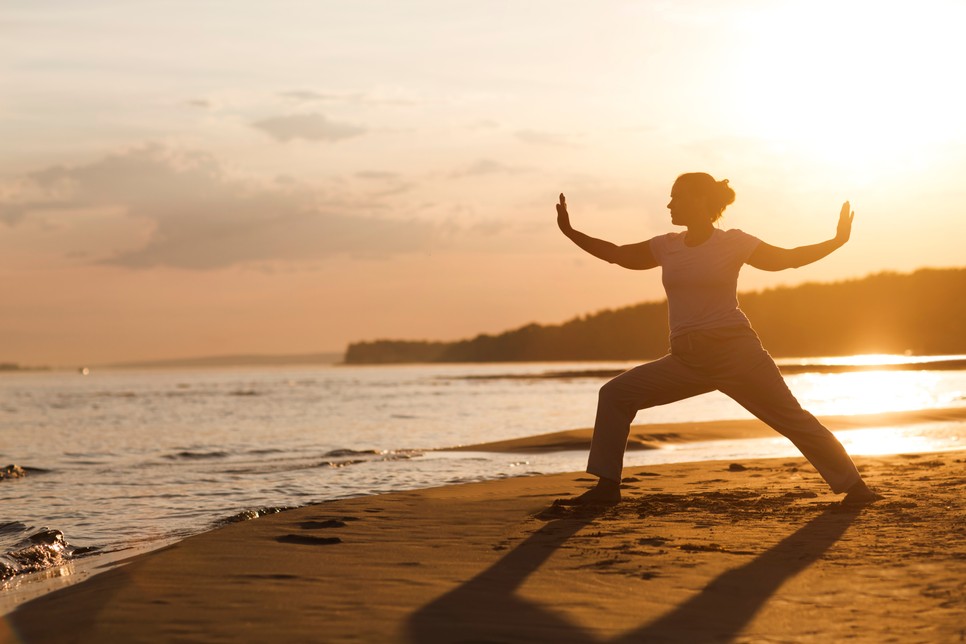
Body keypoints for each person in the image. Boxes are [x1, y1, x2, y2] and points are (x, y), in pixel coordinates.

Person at [555, 172, 880, 506]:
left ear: (700, 200)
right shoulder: (666, 246)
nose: (669, 203)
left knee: (792, 419)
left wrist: (836, 241)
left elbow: (788, 259)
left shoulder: (733, 242)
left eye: (677, 196)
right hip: (686, 360)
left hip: (736, 354)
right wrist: (570, 232)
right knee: (615, 395)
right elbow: (617, 253)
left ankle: (856, 488)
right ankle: (607, 489)